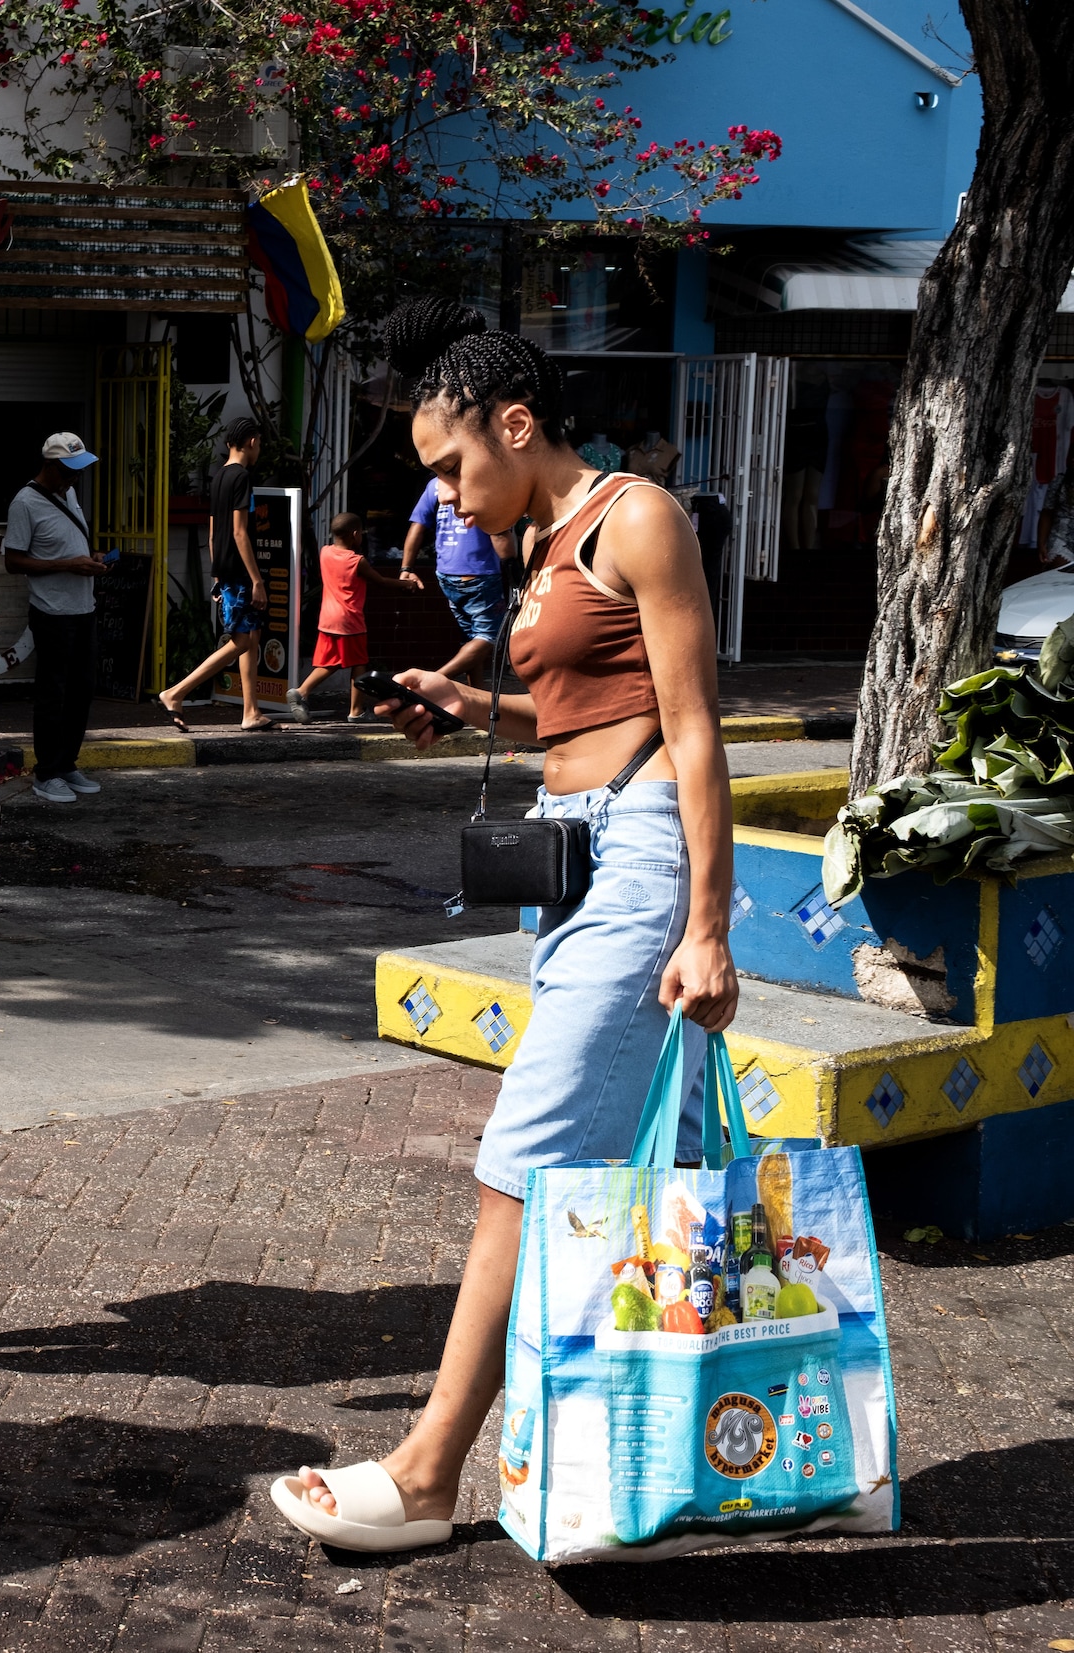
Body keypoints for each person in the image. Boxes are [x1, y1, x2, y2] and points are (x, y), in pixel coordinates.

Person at [269, 298, 736, 1552]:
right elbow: (586, 715)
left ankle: (427, 1474)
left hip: (639, 864)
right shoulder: (540, 548)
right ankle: (737, 1444)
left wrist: (706, 922)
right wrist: (463, 696)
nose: (442, 498)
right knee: (662, 1171)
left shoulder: (635, 516)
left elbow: (690, 726)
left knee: (520, 1165)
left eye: (448, 467)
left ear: (515, 423)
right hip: (572, 861)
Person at [3, 432, 107, 803]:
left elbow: (69, 542)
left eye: (79, 470)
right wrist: (67, 565)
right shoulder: (25, 503)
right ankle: (46, 773)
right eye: (69, 470)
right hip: (52, 613)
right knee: (53, 694)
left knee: (81, 692)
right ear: (49, 465)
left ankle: (67, 764)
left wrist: (89, 558)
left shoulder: (69, 493)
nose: (75, 477)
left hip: (84, 609)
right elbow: (13, 560)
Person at [158, 416, 278, 732]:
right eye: (260, 443)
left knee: (251, 637)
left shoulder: (220, 477)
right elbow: (240, 533)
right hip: (239, 572)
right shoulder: (241, 478)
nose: (260, 448)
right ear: (252, 441)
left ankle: (251, 712)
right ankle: (176, 692)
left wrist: (215, 573)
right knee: (240, 641)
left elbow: (213, 532)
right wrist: (256, 581)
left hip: (225, 570)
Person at [286, 513, 405, 722]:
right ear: (356, 535)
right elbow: (382, 582)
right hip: (349, 620)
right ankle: (355, 711)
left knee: (331, 662)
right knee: (358, 663)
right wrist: (407, 585)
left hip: (328, 619)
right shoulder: (357, 561)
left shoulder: (325, 553)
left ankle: (302, 692)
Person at [403, 471, 516, 688]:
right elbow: (499, 534)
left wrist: (406, 567)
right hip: (479, 575)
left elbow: (417, 526)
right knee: (488, 637)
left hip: (447, 574)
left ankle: (475, 698)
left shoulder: (437, 484)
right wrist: (513, 569)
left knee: (471, 640)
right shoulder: (485, 481)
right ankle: (434, 680)